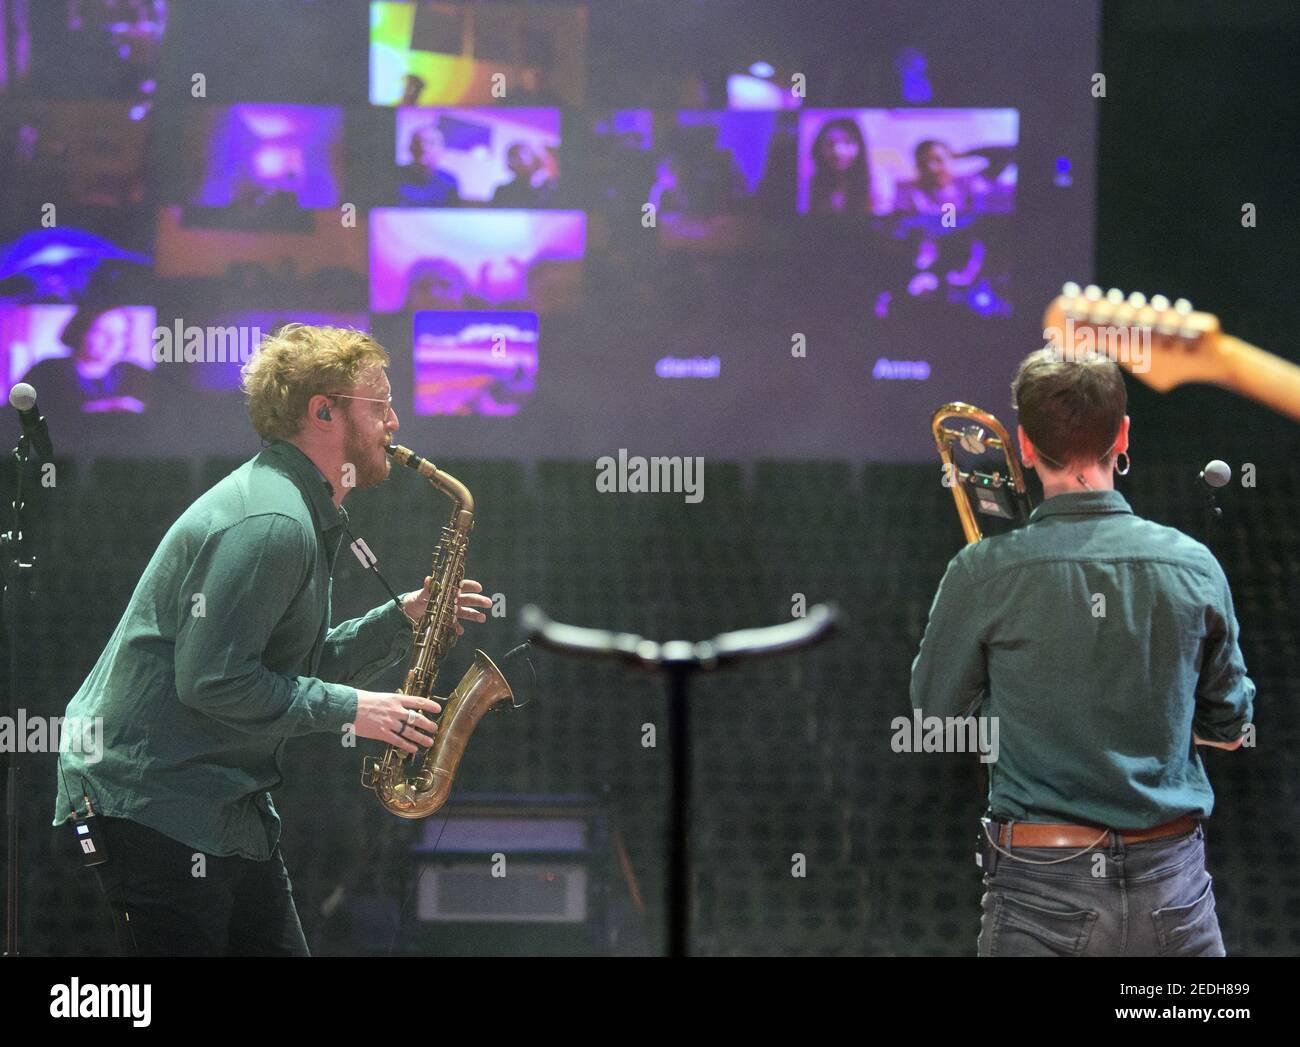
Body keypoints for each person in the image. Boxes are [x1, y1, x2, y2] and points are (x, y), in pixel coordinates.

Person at [52, 324, 494, 956]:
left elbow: (280, 670)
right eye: (380, 406)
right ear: (323, 412)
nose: (395, 422)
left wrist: (401, 621)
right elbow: (215, 681)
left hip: (216, 811)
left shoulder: (291, 508)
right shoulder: (274, 523)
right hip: (155, 807)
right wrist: (355, 710)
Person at [910, 349, 1255, 957]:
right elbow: (1231, 728)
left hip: (1041, 887)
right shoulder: (1194, 565)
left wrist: (1021, 713)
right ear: (1122, 435)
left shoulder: (981, 572)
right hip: (1172, 889)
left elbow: (935, 715)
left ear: (1022, 443)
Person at [22, 305, 150, 413]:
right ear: (80, 332)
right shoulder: (46, 370)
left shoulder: (135, 373)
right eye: (102, 332)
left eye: (121, 335)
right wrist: (103, 406)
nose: (113, 342)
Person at [807, 117, 871, 214]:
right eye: (830, 144)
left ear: (860, 147)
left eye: (847, 142)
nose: (838, 151)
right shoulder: (813, 185)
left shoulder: (875, 183)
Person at [395, 125, 460, 206]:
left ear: (441, 150)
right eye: (418, 142)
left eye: (431, 143)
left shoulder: (449, 181)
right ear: (410, 148)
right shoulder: (392, 175)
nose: (424, 148)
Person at [491, 142, 558, 206]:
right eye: (515, 158)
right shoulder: (502, 192)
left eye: (526, 154)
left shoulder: (548, 189)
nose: (522, 159)